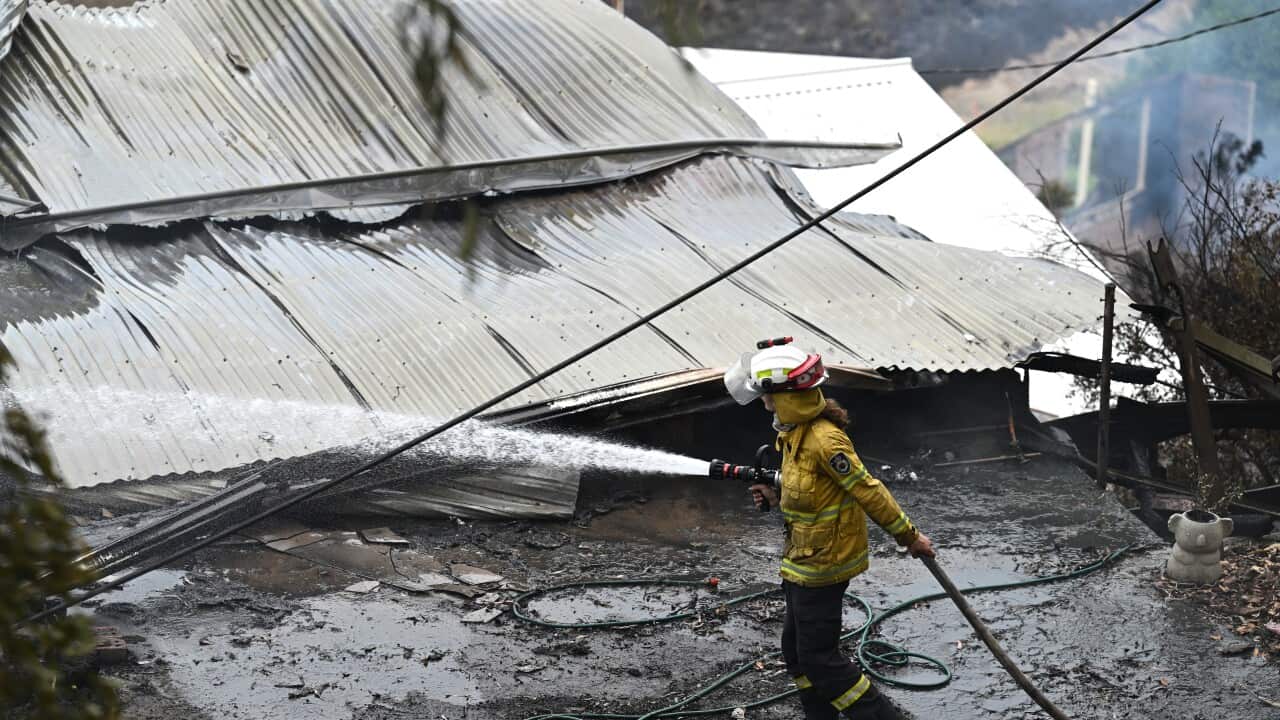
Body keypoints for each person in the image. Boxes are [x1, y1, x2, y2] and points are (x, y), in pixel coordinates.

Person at [724, 340, 934, 720]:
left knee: (820, 661)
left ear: (787, 396)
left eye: (768, 396)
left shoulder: (825, 440)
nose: (765, 404)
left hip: (824, 567)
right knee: (796, 654)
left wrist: (910, 537)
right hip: (801, 561)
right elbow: (810, 492)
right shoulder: (792, 434)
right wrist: (775, 494)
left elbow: (867, 489)